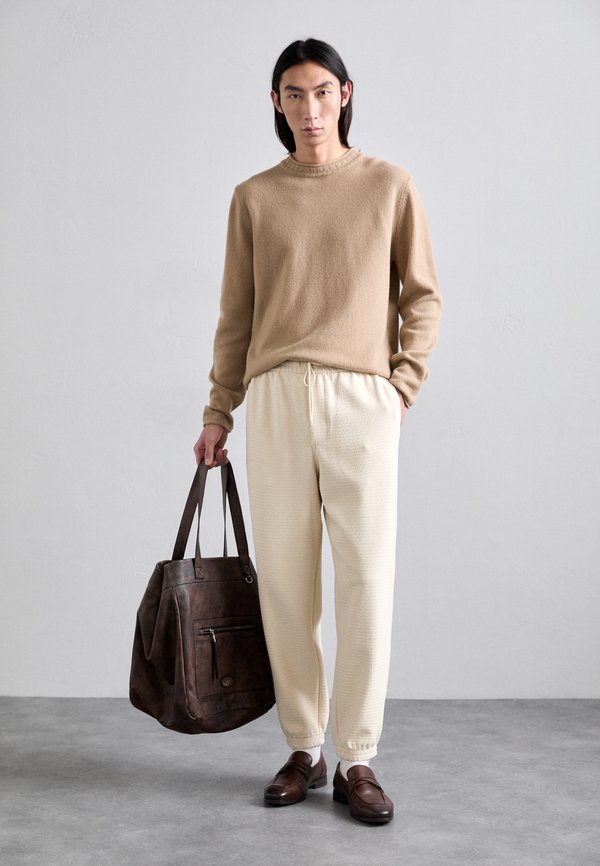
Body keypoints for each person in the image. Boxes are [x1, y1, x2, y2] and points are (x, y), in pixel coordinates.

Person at [193, 37, 443, 825]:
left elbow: (422, 296)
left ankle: (358, 756)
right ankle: (304, 747)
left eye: (322, 92)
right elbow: (236, 316)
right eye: (294, 94)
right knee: (286, 585)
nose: (310, 108)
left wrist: (400, 386)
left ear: (346, 94)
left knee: (366, 579)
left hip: (362, 399)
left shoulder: (388, 186)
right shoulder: (255, 197)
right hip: (273, 399)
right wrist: (218, 410)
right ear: (276, 103)